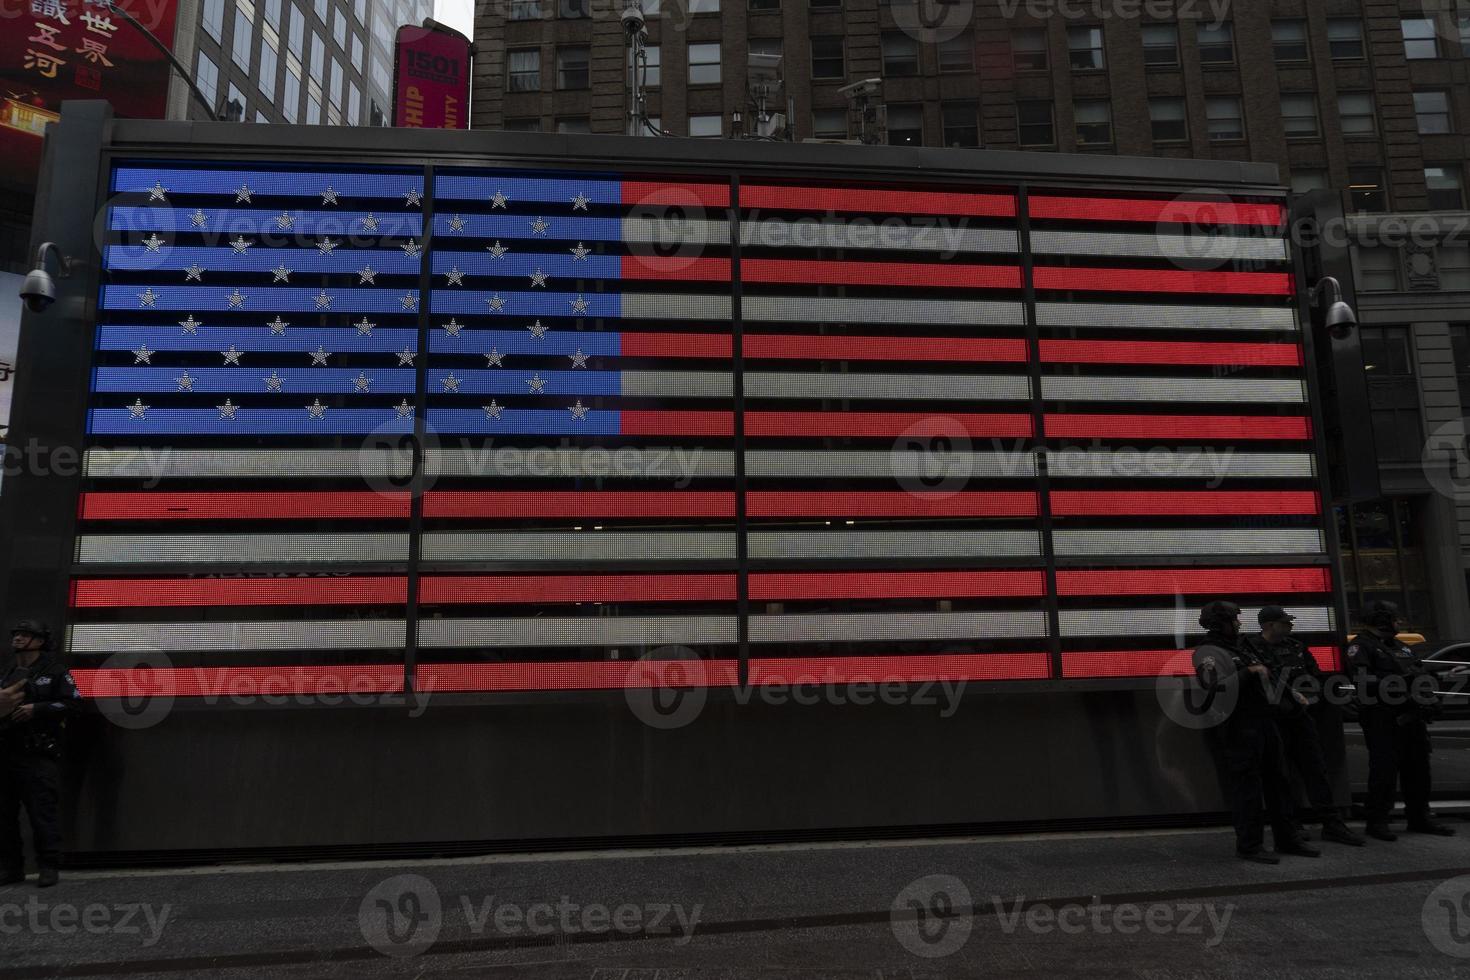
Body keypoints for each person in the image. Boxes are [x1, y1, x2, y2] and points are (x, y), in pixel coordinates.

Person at [1193, 600, 1318, 864]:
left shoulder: (1243, 645)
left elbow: (1269, 674)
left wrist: (1290, 693)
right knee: (1247, 788)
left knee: (1279, 782)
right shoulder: (1208, 651)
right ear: (1220, 623)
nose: (1239, 623)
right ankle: (1249, 846)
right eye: (1233, 620)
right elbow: (1214, 687)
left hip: (1265, 721)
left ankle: (1287, 839)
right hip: (1238, 726)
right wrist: (1247, 672)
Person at [1247, 606, 1366, 847]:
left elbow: (1315, 676)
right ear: (1269, 625)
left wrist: (1316, 697)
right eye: (1284, 622)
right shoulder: (1252, 649)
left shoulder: (1296, 646)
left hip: (1302, 717)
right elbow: (1258, 685)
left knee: (1316, 770)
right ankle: (1291, 825)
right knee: (1282, 774)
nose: (1290, 625)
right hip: (1275, 720)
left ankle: (1331, 824)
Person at [1349, 601, 1456, 841]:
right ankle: (1377, 821)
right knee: (1384, 771)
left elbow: (1418, 673)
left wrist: (1428, 698)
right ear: (1381, 620)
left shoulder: (1399, 646)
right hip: (1383, 718)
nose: (1399, 622)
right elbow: (1363, 680)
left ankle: (1419, 817)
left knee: (1418, 769)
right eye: (1395, 618)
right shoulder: (1361, 646)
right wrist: (1398, 682)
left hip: (1412, 717)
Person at [1, 619, 82, 888]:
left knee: (41, 812)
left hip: (37, 753)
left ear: (40, 641)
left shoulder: (55, 671)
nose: (18, 638)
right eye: (16, 633)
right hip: (6, 750)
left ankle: (49, 865)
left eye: (26, 634)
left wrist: (38, 709)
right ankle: (11, 868)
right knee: (4, 816)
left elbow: (73, 703)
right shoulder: (7, 671)